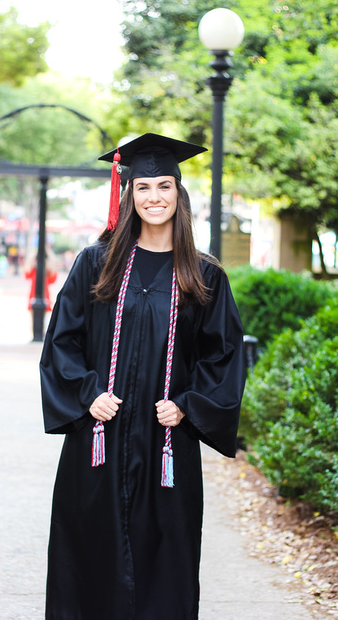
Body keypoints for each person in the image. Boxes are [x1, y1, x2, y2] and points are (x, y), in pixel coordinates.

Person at [40, 133, 246, 620]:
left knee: (166, 557)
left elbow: (224, 356)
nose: (154, 197)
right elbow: (61, 342)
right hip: (100, 441)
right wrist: (88, 394)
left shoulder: (205, 275)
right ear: (129, 195)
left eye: (164, 186)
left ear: (179, 194)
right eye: (143, 187)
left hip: (165, 447)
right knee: (90, 552)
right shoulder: (97, 263)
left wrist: (188, 404)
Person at [24, 245, 58, 312]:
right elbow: (27, 274)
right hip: (33, 295)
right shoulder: (33, 269)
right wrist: (33, 262)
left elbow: (53, 278)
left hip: (45, 296)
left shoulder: (47, 271)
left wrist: (48, 262)